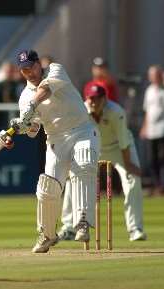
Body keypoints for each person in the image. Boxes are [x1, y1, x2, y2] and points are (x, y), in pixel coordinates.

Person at [7, 50, 100, 253]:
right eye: (23, 70)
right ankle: (47, 235)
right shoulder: (24, 97)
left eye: (31, 67)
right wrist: (23, 127)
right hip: (56, 140)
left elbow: (46, 90)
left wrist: (32, 106)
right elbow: (33, 131)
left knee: (84, 165)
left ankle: (82, 222)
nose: (28, 73)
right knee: (47, 187)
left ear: (39, 64)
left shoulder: (55, 70)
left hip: (82, 130)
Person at [59, 84, 146, 242]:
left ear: (105, 99)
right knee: (74, 180)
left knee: (133, 180)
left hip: (118, 148)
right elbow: (73, 137)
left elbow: (123, 140)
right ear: (86, 99)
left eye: (98, 98)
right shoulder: (81, 111)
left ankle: (135, 229)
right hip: (92, 147)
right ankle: (68, 228)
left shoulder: (116, 111)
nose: (94, 102)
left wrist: (128, 164)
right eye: (91, 99)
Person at [139, 65, 164, 195]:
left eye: (156, 75)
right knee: (152, 159)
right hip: (151, 130)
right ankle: (157, 185)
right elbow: (147, 111)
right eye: (152, 75)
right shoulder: (149, 90)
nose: (154, 78)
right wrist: (144, 127)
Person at [0, 62, 19, 128]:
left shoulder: (18, 85)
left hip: (16, 118)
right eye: (7, 71)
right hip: (2, 119)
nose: (9, 73)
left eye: (11, 71)